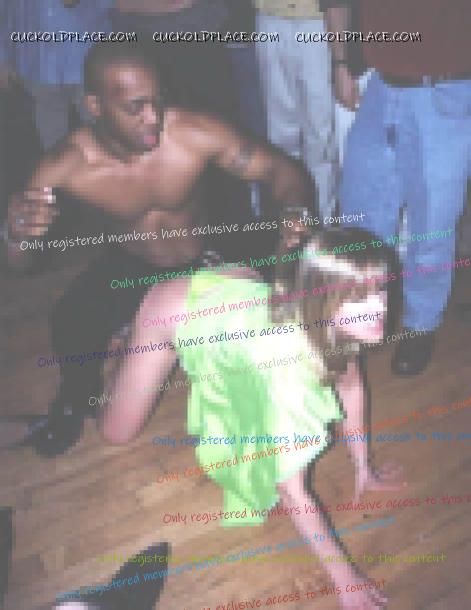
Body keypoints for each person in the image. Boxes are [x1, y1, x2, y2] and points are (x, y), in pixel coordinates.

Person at [0, 44, 313, 457]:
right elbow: (20, 265)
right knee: (72, 319)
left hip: (210, 253)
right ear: (94, 105)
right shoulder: (65, 164)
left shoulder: (194, 132)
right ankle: (72, 405)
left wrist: (294, 211)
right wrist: (16, 235)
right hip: (133, 265)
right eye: (136, 107)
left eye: (158, 100)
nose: (153, 117)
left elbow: (282, 170)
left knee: (299, 276)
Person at [99, 227, 406, 610]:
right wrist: (346, 579)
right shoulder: (289, 380)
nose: (379, 309)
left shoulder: (332, 327)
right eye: (359, 298)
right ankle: (126, 348)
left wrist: (364, 468)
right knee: (116, 432)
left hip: (239, 282)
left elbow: (352, 386)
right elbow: (291, 491)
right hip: (172, 309)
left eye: (381, 290)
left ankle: (207, 273)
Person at [322, 0, 471, 375]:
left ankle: (421, 324)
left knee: (432, 224)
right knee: (360, 214)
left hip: (447, 88)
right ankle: (359, 310)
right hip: (381, 85)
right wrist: (340, 62)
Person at [255, 0, 337, 217]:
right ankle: (289, 220)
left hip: (315, 20)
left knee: (320, 133)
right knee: (279, 133)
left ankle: (322, 221)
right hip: (269, 15)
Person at [0, 0, 113, 150]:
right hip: (37, 63)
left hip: (87, 58)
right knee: (52, 136)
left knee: (102, 129)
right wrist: (2, 59)